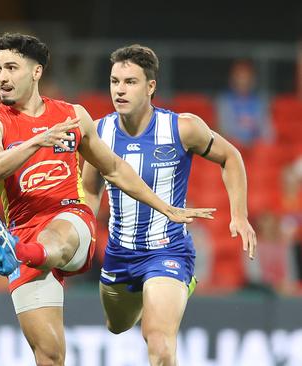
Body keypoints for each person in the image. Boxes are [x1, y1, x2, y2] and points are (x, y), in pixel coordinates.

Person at [0, 33, 213, 366]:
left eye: (12, 67)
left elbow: (113, 167)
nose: (2, 77)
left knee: (55, 235)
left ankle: (21, 251)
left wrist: (165, 207)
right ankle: (21, 251)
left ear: (36, 72)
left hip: (71, 219)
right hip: (21, 230)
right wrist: (36, 141)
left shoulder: (73, 117)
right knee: (50, 355)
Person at [81, 44, 257, 366]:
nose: (120, 90)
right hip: (119, 254)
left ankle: (173, 284)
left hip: (167, 250)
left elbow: (231, 156)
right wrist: (84, 231)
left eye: (130, 82)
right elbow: (90, 190)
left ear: (151, 87)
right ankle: (141, 296)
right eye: (114, 81)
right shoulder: (99, 132)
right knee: (117, 325)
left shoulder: (182, 127)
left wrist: (239, 215)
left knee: (159, 340)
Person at [216, 59, 273, 149]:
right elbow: (224, 129)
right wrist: (240, 143)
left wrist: (255, 143)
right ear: (233, 79)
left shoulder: (259, 102)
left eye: (246, 77)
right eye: (240, 77)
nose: (243, 81)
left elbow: (267, 133)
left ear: (252, 80)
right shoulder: (224, 101)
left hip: (256, 149)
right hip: (232, 147)